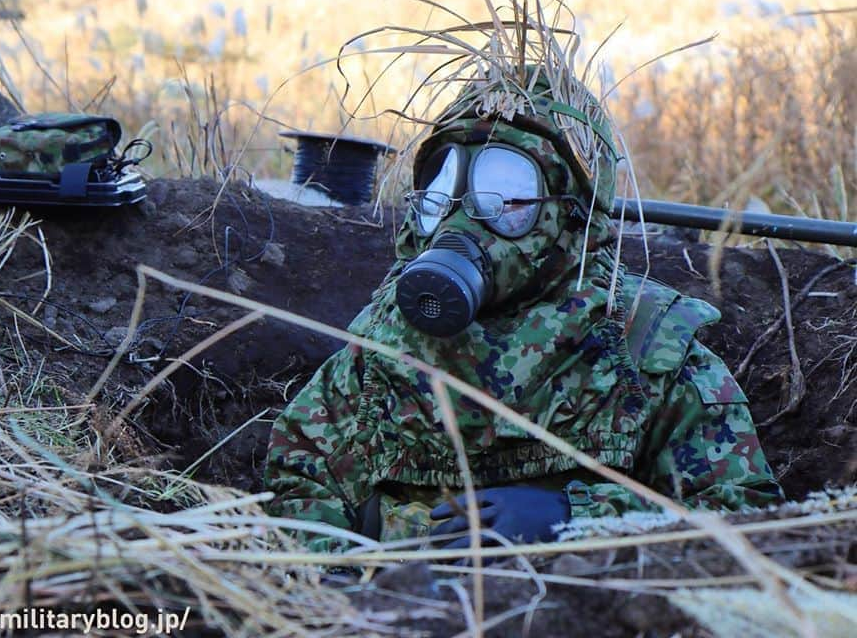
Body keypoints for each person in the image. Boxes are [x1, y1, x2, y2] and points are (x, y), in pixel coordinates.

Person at [262, 71, 784, 551]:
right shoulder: (385, 345)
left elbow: (745, 517)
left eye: (505, 200)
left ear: (570, 221)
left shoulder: (644, 349)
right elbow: (302, 477)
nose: (462, 224)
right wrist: (350, 581)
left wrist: (573, 518)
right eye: (444, 196)